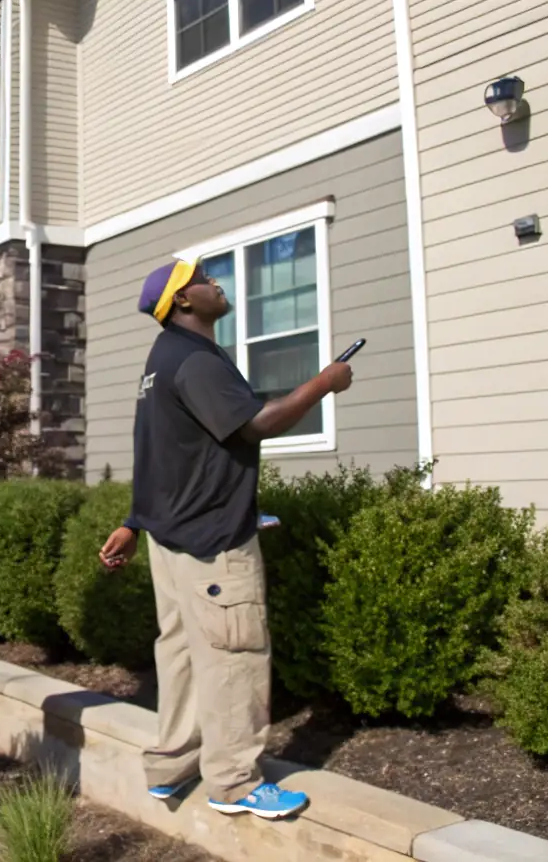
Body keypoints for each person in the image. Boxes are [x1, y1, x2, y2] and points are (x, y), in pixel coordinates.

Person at [98, 258, 353, 821]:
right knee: (234, 656)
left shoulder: (162, 361)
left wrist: (135, 522)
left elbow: (159, 452)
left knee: (185, 656)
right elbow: (256, 424)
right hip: (212, 544)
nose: (215, 282)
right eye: (202, 278)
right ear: (182, 301)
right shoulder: (195, 361)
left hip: (174, 542)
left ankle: (172, 766)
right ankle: (235, 782)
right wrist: (324, 383)